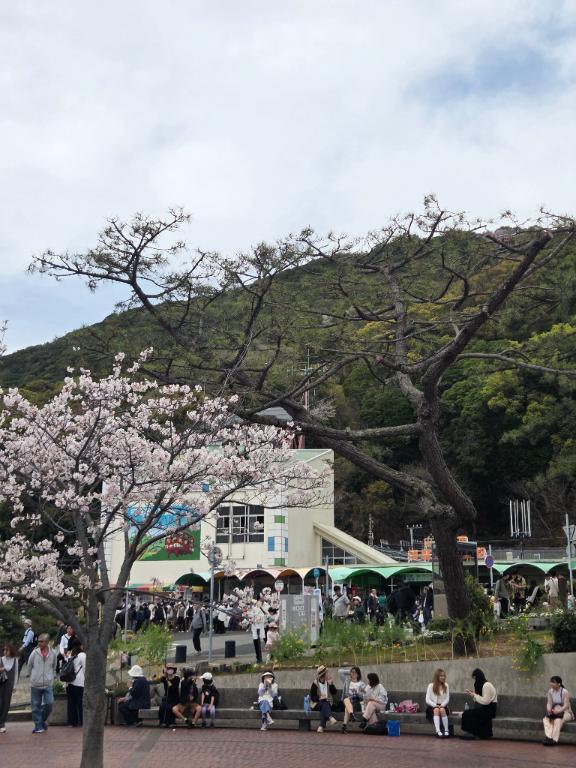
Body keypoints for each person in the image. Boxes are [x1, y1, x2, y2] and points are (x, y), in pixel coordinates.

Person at [27, 634, 57, 734]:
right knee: (36, 706)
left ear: (47, 642)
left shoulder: (53, 653)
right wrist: (33, 678)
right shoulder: (34, 653)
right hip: (35, 684)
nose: (39, 643)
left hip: (48, 683)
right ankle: (38, 726)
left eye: (41, 641)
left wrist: (51, 677)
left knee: (50, 703)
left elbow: (54, 666)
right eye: (38, 641)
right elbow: (29, 666)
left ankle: (42, 719)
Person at [460, 668, 497, 739]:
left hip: (490, 709)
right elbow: (480, 699)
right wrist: (473, 695)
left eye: (475, 678)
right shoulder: (482, 685)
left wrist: (475, 695)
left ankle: (472, 733)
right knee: (467, 713)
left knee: (469, 714)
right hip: (485, 708)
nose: (475, 680)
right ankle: (471, 732)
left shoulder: (486, 685)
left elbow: (486, 701)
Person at [542, 676, 574, 745]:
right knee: (545, 719)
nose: (551, 684)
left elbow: (566, 705)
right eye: (551, 682)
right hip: (555, 712)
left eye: (553, 682)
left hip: (566, 712)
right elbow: (549, 703)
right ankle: (549, 737)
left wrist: (559, 711)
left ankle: (554, 740)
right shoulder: (550, 691)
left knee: (558, 720)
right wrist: (549, 709)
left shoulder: (564, 691)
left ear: (559, 684)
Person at [310, 665, 338, 733]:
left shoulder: (328, 682)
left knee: (325, 705)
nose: (328, 674)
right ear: (323, 675)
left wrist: (331, 685)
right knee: (324, 702)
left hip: (327, 704)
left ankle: (321, 726)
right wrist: (319, 698)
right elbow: (312, 697)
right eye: (327, 673)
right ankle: (330, 717)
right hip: (316, 704)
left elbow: (334, 692)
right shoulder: (315, 683)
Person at [339, 666, 366, 733]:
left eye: (355, 672)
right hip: (348, 701)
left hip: (356, 702)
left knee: (346, 706)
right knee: (346, 700)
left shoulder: (362, 684)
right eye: (352, 672)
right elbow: (340, 671)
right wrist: (350, 671)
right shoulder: (347, 681)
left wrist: (356, 692)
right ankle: (351, 715)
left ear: (358, 674)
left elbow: (363, 697)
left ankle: (344, 726)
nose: (353, 674)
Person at [65, 640, 86, 727]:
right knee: (80, 702)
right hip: (79, 682)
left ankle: (72, 722)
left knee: (71, 703)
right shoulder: (82, 655)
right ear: (80, 645)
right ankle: (82, 721)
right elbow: (85, 669)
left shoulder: (70, 655)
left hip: (69, 682)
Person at [0, 643, 19, 733]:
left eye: (6, 650)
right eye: (4, 650)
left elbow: (16, 674)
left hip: (9, 685)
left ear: (11, 650)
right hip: (1, 684)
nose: (5, 652)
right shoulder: (0, 659)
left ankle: (2, 723)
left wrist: (14, 686)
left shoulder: (15, 661)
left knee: (6, 705)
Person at [426, 668, 450, 737]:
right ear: (437, 677)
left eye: (444, 675)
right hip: (432, 707)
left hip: (443, 706)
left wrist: (442, 705)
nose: (443, 677)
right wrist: (435, 705)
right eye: (441, 676)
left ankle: (446, 730)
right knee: (436, 710)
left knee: (442, 709)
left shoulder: (446, 685)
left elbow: (447, 698)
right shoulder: (430, 686)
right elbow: (427, 699)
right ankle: (438, 731)